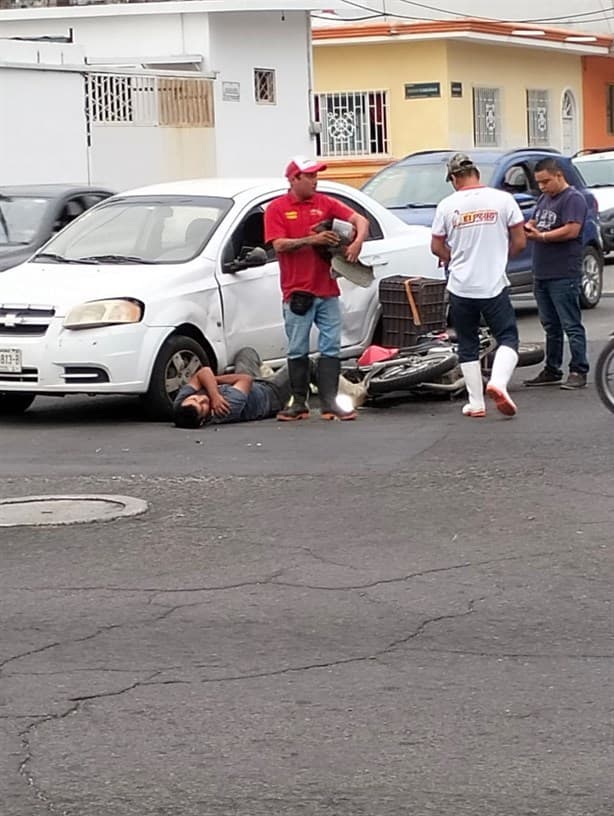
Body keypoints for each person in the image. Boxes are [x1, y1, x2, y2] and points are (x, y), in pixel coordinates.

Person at [264, 155, 369, 421]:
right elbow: (278, 245)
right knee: (297, 348)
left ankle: (330, 403)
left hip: (327, 289)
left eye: (315, 175)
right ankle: (299, 403)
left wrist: (357, 242)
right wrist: (314, 239)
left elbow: (360, 220)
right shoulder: (277, 209)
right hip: (297, 291)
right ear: (293, 179)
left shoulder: (325, 203)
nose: (315, 180)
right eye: (309, 176)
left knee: (331, 347)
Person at [431, 153, 527, 418]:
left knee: (467, 342)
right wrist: (499, 256)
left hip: (461, 285)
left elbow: (436, 246)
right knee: (507, 337)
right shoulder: (503, 200)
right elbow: (520, 242)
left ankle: (476, 403)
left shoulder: (447, 205)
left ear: (453, 178)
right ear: (476, 173)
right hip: (493, 284)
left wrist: (455, 257)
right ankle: (498, 381)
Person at [523, 157, 589, 389]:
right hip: (542, 271)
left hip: (563, 271)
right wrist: (530, 228)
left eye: (546, 182)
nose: (542, 187)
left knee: (571, 323)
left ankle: (579, 370)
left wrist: (541, 236)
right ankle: (552, 368)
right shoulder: (544, 198)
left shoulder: (573, 199)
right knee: (550, 325)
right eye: (539, 183)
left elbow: (572, 230)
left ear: (559, 175)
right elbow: (535, 220)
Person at [173, 347, 292, 428]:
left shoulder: (181, 404)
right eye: (203, 407)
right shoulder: (223, 410)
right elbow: (245, 380)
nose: (202, 399)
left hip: (242, 383)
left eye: (194, 399)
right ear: (203, 420)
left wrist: (214, 395)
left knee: (246, 352)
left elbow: (204, 371)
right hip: (270, 393)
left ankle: (265, 372)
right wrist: (208, 382)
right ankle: (299, 392)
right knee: (300, 364)